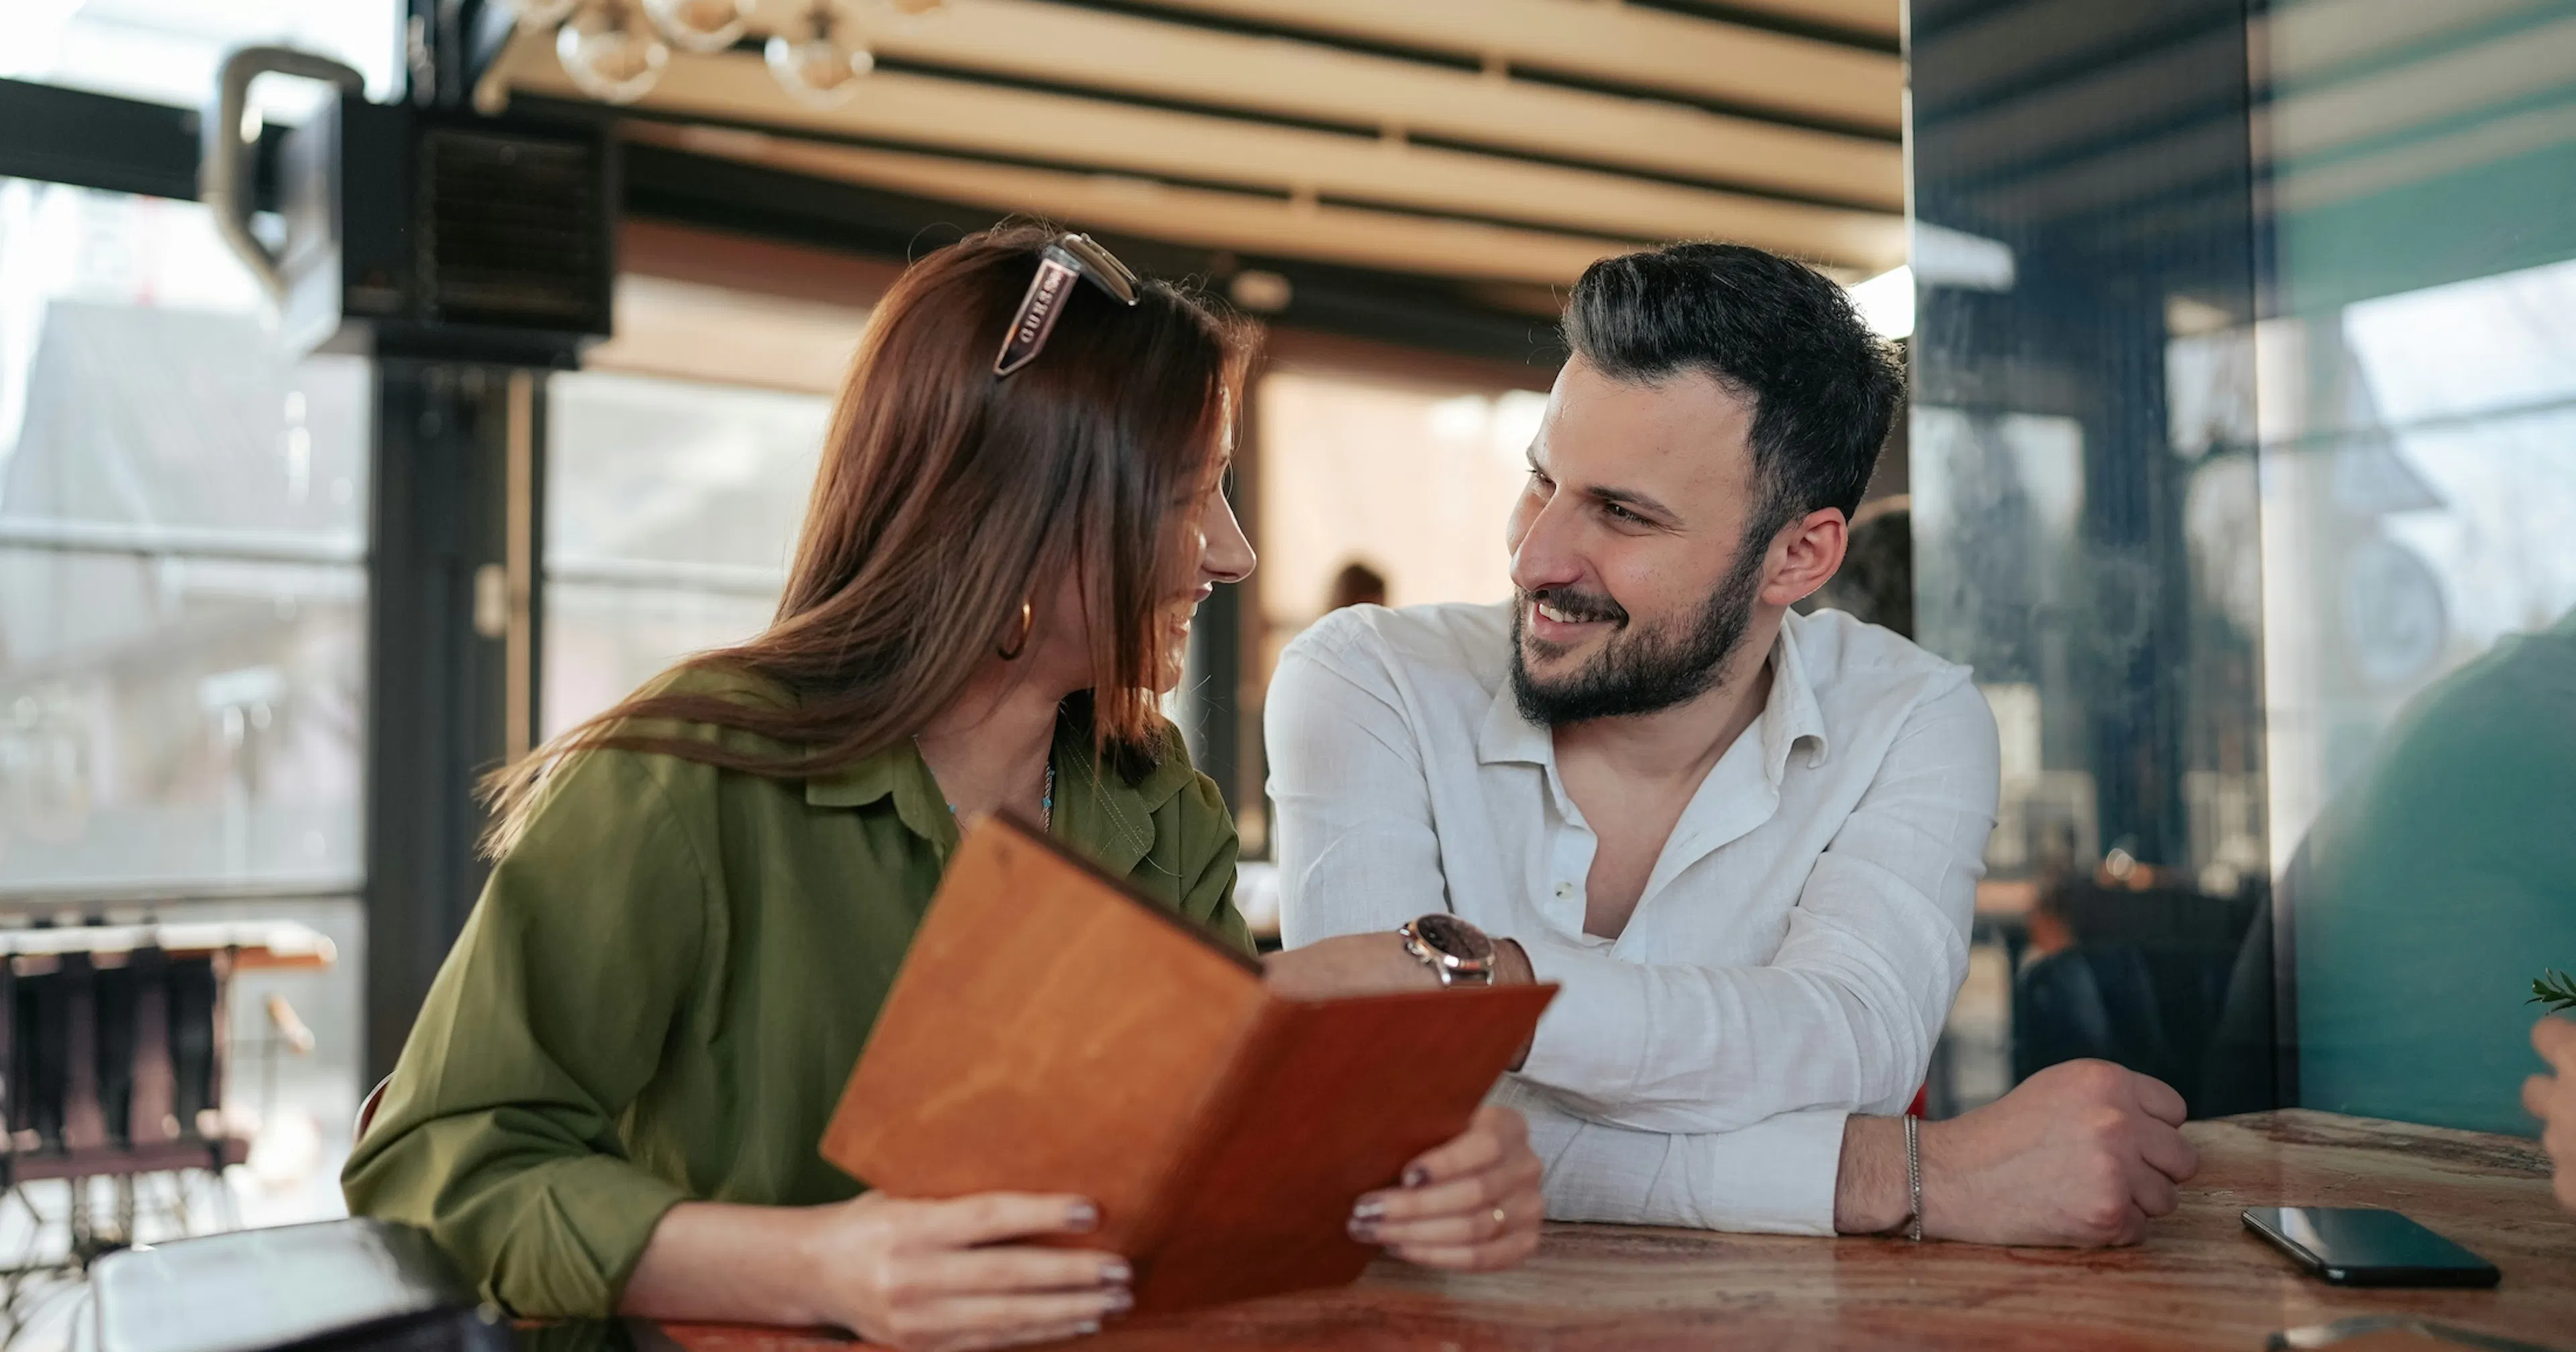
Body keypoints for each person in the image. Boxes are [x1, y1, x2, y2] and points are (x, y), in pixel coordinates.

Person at [343, 228, 1543, 1350]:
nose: (1232, 552)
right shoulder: (681, 776)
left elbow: (1182, 1149)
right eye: (1188, 495)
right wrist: (818, 1265)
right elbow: (435, 1168)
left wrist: (1415, 1171)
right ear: (1014, 510)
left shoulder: (1155, 795)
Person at [1268, 241, 2197, 1246]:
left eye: (1623, 514)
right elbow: (1378, 1119)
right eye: (1543, 482)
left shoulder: (1909, 719)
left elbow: (1854, 1045)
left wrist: (1486, 990)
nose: (1534, 557)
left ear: (1799, 556)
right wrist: (1889, 1175)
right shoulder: (1370, 681)